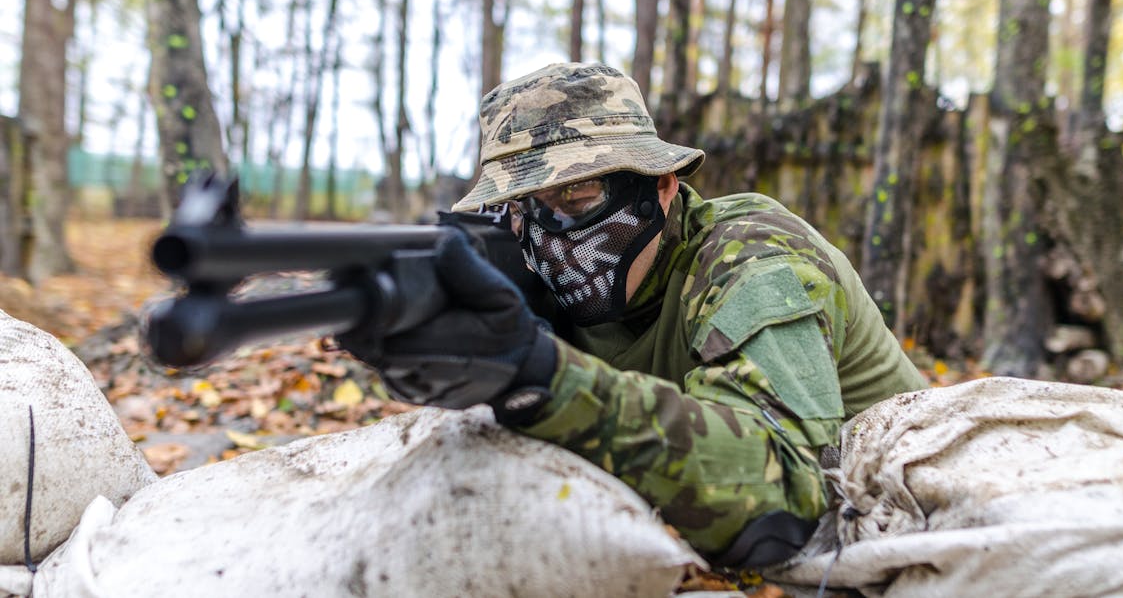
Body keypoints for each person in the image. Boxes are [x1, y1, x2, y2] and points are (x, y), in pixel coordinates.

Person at [345, 63, 928, 568]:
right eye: (523, 209)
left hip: (905, 514)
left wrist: (540, 375)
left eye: (580, 199)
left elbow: (788, 497)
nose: (553, 236)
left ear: (664, 187)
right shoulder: (536, 275)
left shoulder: (753, 257)